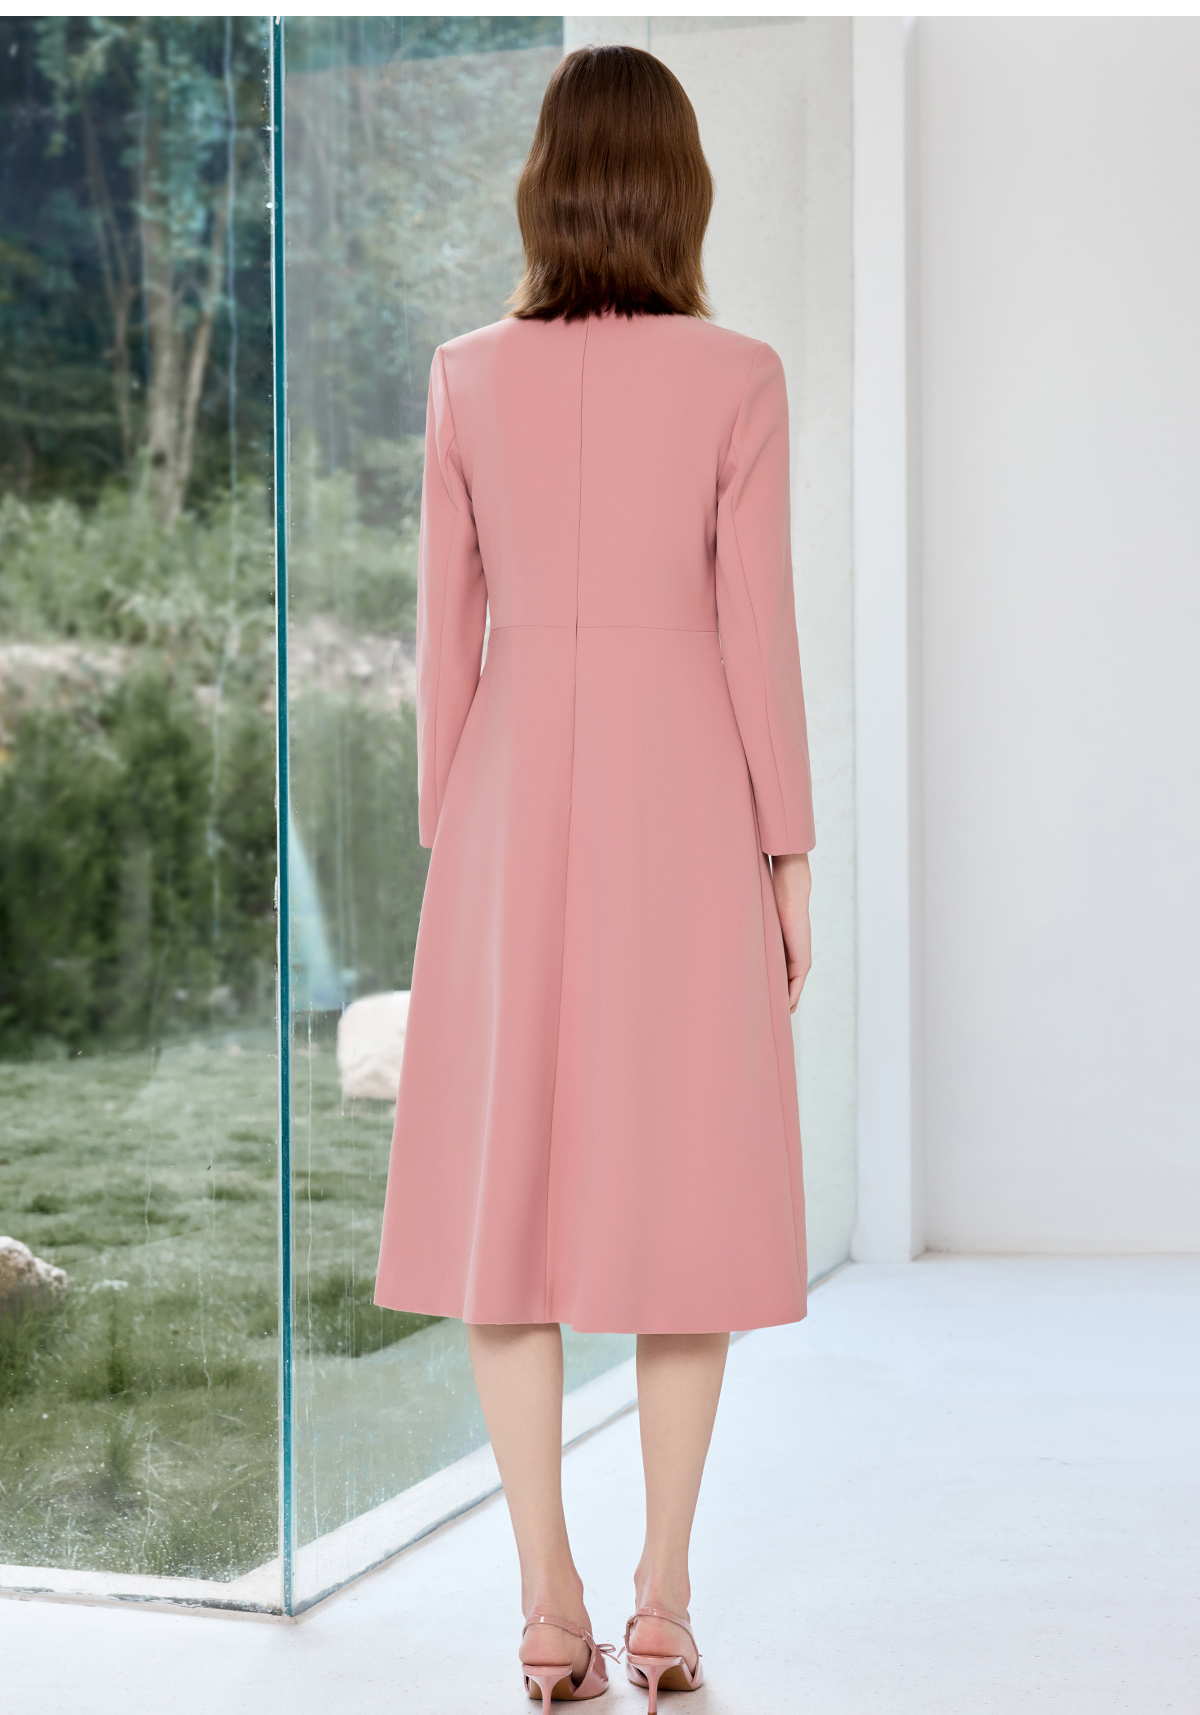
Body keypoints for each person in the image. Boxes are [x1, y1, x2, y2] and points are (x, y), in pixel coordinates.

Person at [375, 43, 814, 1710]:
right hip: (685, 796)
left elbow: (444, 639)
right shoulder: (740, 376)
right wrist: (788, 852)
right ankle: (663, 1598)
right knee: (683, 1190)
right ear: (682, 190)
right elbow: (760, 639)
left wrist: (456, 840)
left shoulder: (464, 376)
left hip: (508, 802)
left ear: (541, 190)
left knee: (508, 1210)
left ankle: (546, 1603)